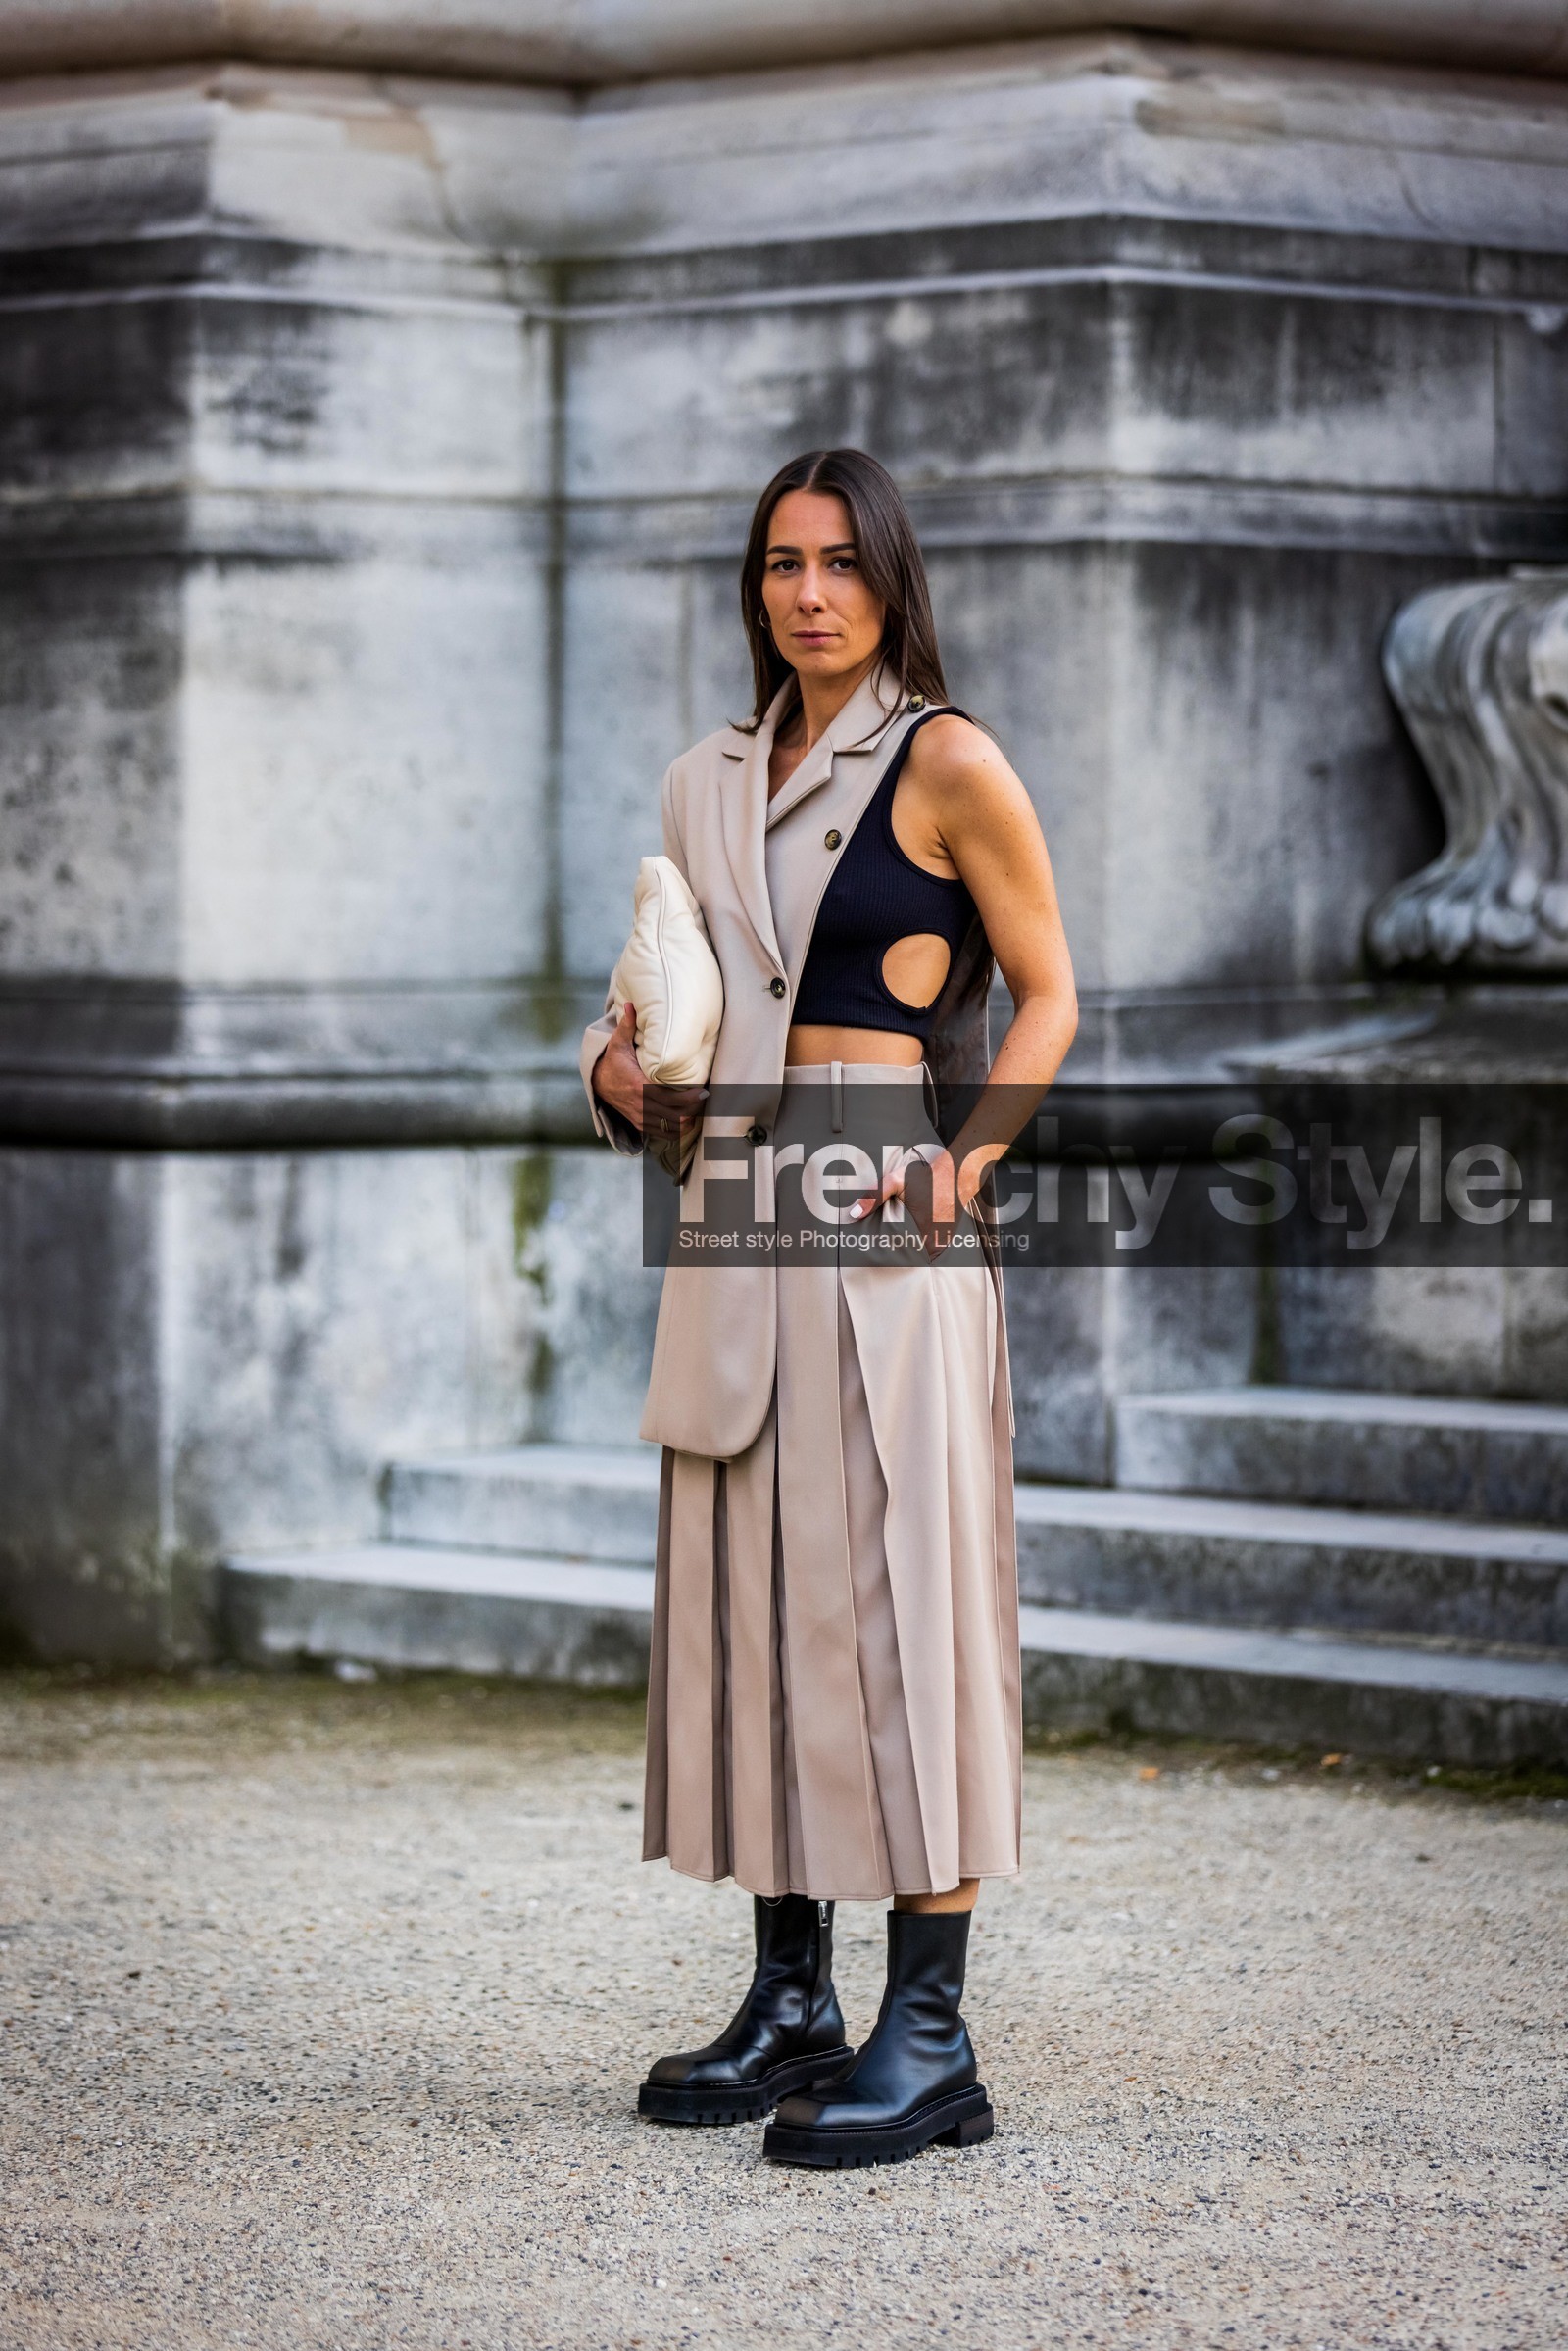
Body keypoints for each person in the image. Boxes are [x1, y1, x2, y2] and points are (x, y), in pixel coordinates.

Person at [581, 447, 1077, 2168]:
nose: (808, 592)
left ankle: (927, 2035)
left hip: (883, 1211)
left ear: (890, 582)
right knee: (755, 1601)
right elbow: (654, 1004)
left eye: (840, 564)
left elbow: (1051, 997)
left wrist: (971, 1163)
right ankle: (790, 1998)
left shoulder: (948, 760)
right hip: (733, 1206)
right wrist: (611, 1065)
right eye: (782, 563)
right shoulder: (699, 783)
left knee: (905, 1608)